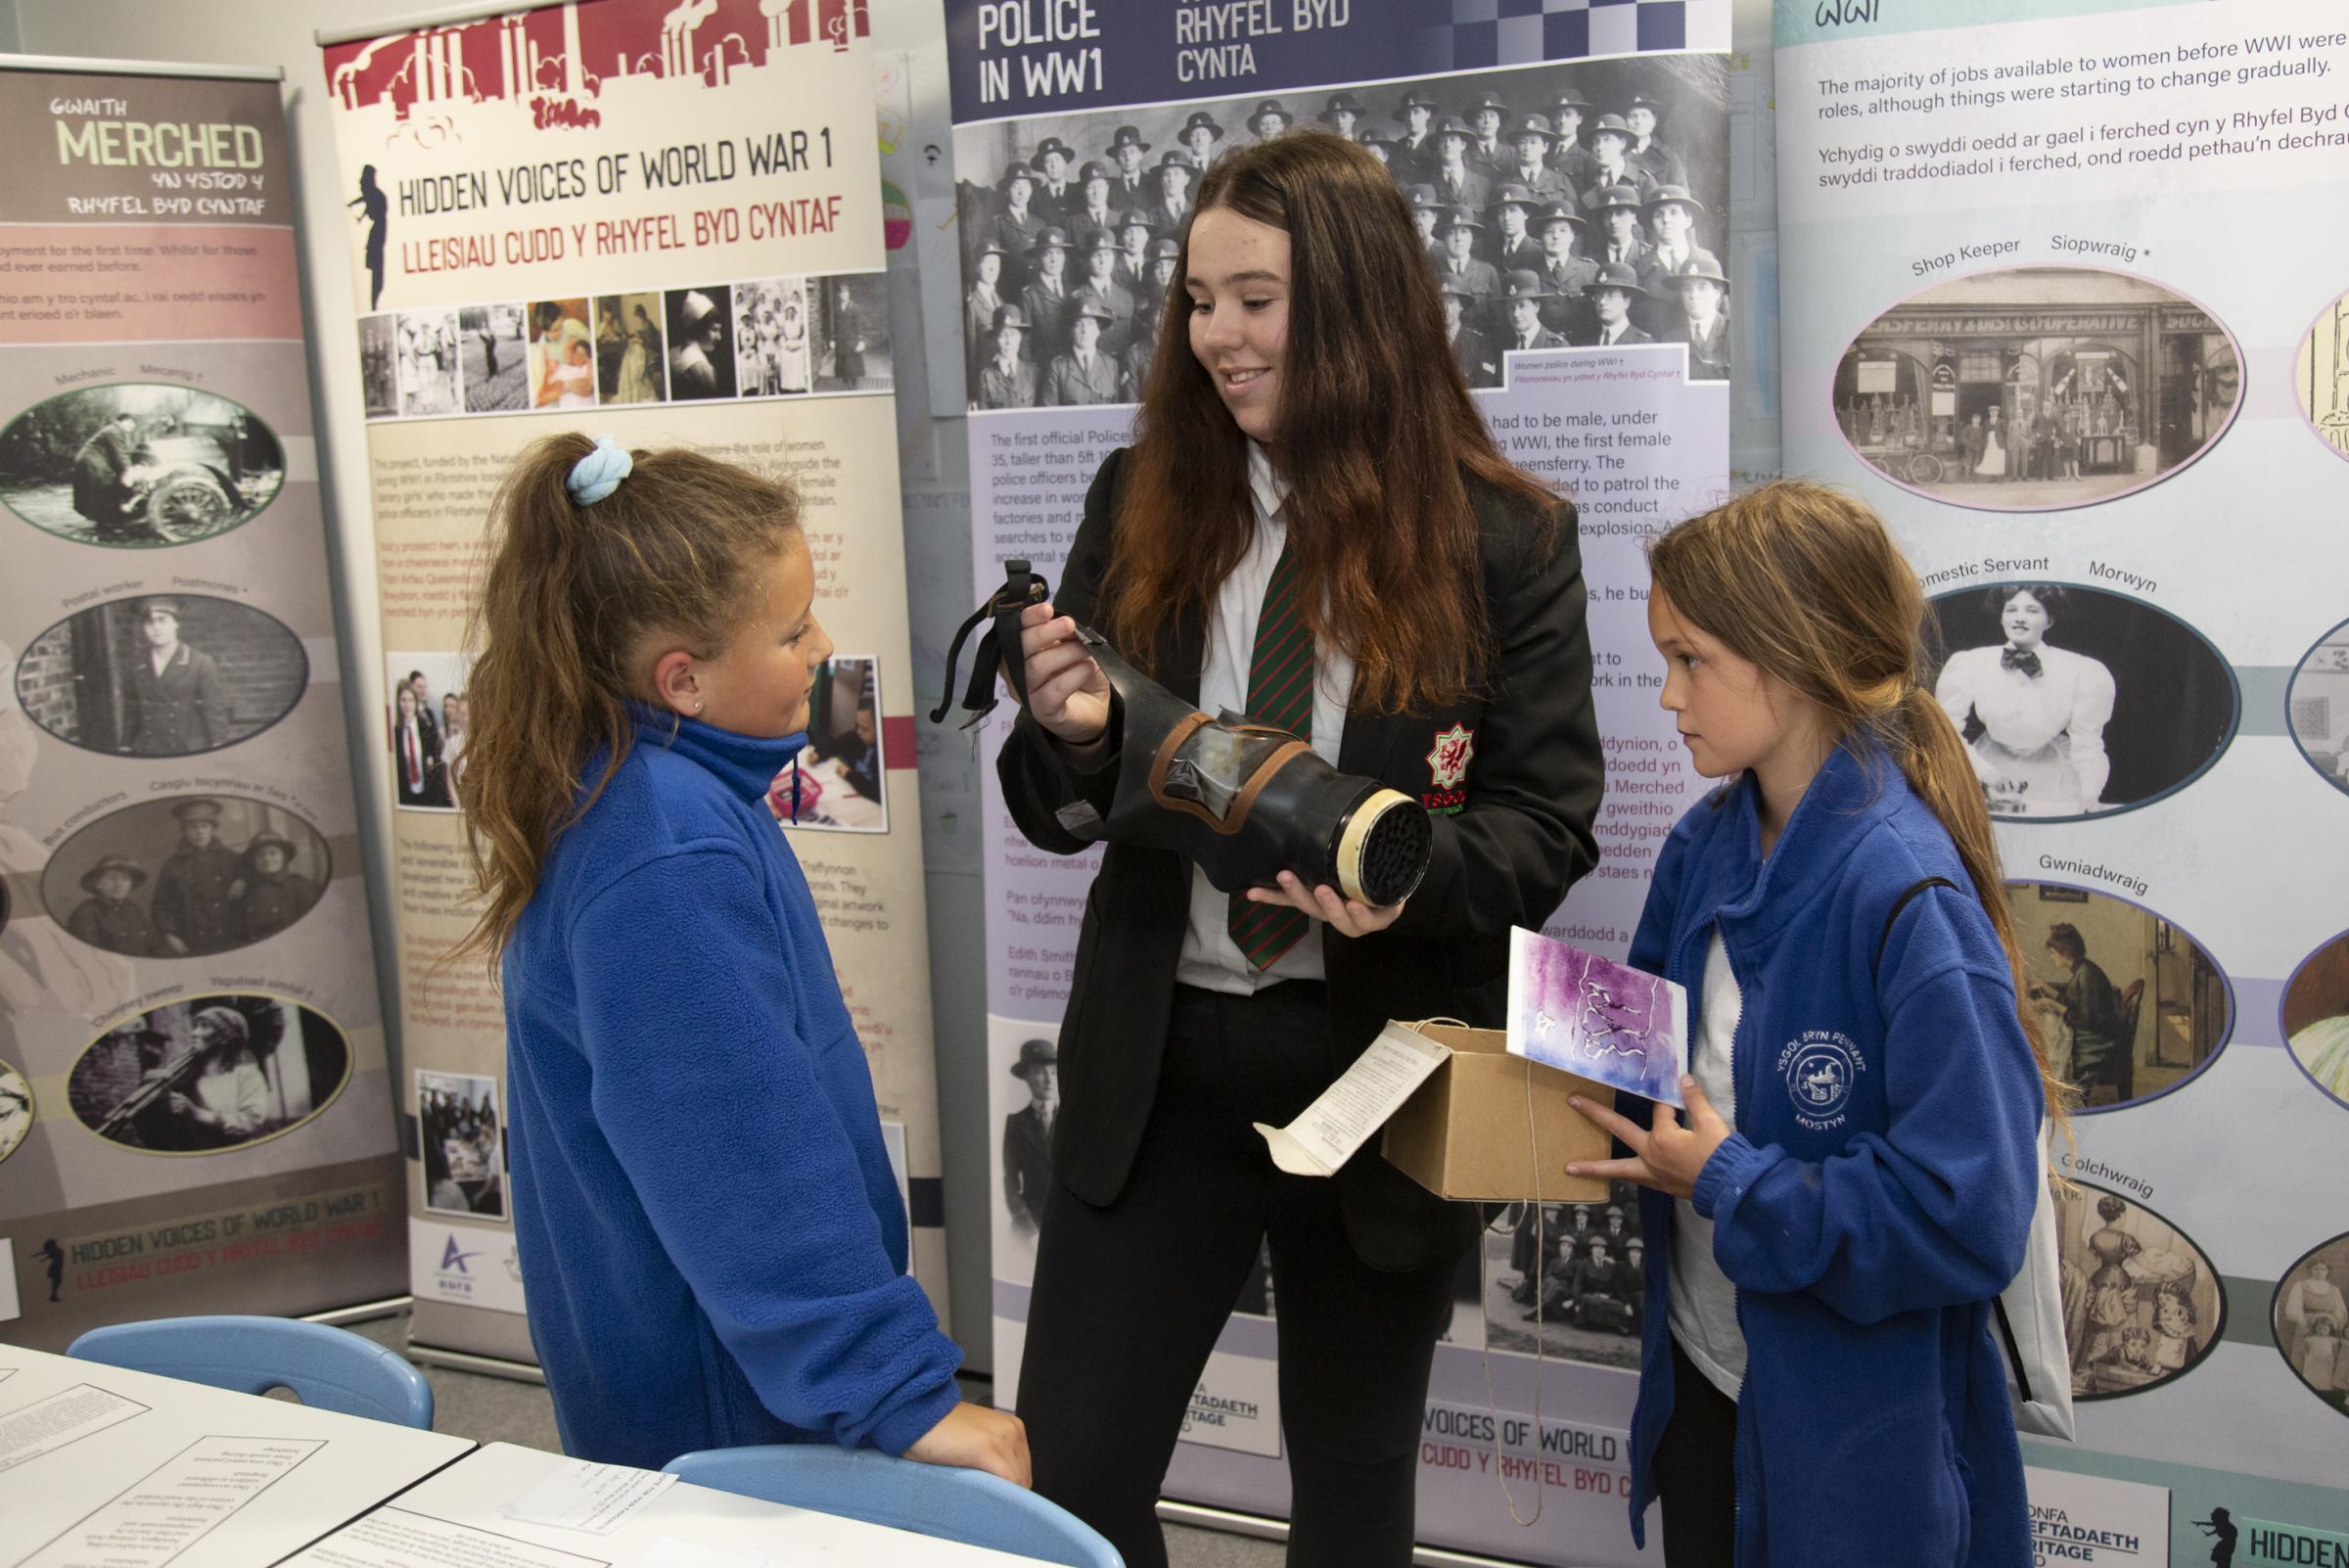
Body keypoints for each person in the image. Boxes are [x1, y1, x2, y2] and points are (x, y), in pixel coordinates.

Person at [999, 130, 1600, 1568]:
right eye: (1198, 301)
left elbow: (1547, 820)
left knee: (1349, 1490)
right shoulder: (1139, 495)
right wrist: (1075, 739)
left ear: (1353, 301)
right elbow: (1054, 800)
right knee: (1066, 1479)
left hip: (1380, 1074)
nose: (1217, 336)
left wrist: (1393, 875)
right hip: (1163, 1067)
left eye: (1254, 299)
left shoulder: (1505, 536)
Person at [450, 433, 1029, 1482]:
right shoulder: (666, 846)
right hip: (729, 1395)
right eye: (793, 629)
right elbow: (740, 1146)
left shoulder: (642, 791)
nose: (822, 649)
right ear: (685, 680)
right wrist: (891, 1389)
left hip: (698, 1358)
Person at [1564, 481, 2060, 1566]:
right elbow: (1652, 1051)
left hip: (1852, 1437)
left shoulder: (1909, 897)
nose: (1666, 694)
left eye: (1688, 659)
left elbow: (1970, 1215)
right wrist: (1516, 1036)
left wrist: (1734, 1181)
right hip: (1708, 1372)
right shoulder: (1707, 841)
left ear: (1787, 659)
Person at [1933, 584, 2114, 817]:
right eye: (2012, 610)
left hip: (2054, 772)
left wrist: (2090, 791)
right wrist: (1986, 774)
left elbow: (2087, 741)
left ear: (2049, 620)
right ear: (2001, 617)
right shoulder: (1971, 663)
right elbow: (1946, 732)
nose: (2019, 618)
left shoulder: (2081, 669)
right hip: (1986, 765)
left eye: (2032, 611)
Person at [2029, 922, 2132, 1103]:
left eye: (2053, 953)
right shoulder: (2083, 970)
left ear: (2065, 953)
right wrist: (2046, 988)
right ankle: (2053, 1092)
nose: (2052, 958)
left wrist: (2049, 1003)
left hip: (2098, 1040)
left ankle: (2057, 1095)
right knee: (2052, 1033)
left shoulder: (2086, 975)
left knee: (2053, 1039)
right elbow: (2073, 1003)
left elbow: (2085, 1019)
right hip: (2096, 1032)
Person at [147, 1005, 274, 1148]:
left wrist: (196, 1113)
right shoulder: (186, 1077)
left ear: (225, 1037)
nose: (194, 1033)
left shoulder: (246, 1075)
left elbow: (250, 1122)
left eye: (204, 1027)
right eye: (195, 1026)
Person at [121, 597, 226, 756]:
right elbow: (132, 711)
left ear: (176, 624)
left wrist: (218, 744)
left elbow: (214, 710)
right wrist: (125, 745)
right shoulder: (136, 666)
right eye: (149, 622)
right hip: (149, 749)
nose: (156, 628)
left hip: (188, 748)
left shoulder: (200, 662)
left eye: (162, 620)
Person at [151, 798, 244, 956]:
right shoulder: (173, 865)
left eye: (204, 826)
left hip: (231, 937)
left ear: (212, 829)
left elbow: (258, 879)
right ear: (184, 831)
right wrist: (169, 935)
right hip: (193, 941)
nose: (199, 832)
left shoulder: (231, 858)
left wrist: (243, 880)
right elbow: (161, 906)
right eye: (193, 827)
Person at [1002, 1038, 1058, 1233]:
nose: (1049, 1079)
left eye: (1053, 1071)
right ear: (1026, 1076)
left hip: (1068, 1225)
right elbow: (1010, 1177)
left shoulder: (1072, 1120)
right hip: (1029, 1224)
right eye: (1039, 1072)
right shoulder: (1015, 1123)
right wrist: (1026, 1224)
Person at [72, 412, 145, 540]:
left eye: (134, 425)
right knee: (105, 489)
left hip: (93, 461)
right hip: (92, 463)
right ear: (122, 421)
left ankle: (109, 524)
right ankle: (107, 528)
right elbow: (120, 456)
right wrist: (132, 471)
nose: (132, 427)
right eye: (130, 423)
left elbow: (123, 454)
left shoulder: (116, 431)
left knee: (107, 489)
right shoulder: (114, 432)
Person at [68, 853, 158, 955]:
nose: (119, 884)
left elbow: (153, 943)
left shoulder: (132, 908)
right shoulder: (85, 913)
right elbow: (88, 956)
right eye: (111, 878)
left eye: (125, 878)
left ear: (131, 884)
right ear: (97, 884)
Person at [1040, 297, 1124, 406]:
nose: (1084, 331)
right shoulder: (1057, 367)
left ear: (1098, 330)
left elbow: (1115, 412)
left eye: (1090, 324)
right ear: (1071, 331)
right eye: (1078, 324)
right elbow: (1049, 415)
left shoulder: (1111, 365)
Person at [1667, 258, 1731, 382]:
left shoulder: (1734, 334)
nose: (1693, 295)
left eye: (1702, 287)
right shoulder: (1670, 339)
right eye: (1687, 288)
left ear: (1717, 293)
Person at [392, 681, 450, 807]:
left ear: (416, 702)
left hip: (429, 798)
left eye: (411, 700)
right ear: (397, 702)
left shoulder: (427, 729)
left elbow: (438, 768)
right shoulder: (395, 734)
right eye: (403, 700)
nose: (407, 705)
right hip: (407, 799)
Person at [978, 305, 1040, 410]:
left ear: (1020, 337)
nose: (1009, 342)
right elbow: (984, 420)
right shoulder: (986, 377)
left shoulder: (1033, 372)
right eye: (1003, 335)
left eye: (1013, 334)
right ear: (995, 339)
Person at [669, 291, 729, 399]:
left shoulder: (673, 352)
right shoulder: (702, 367)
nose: (719, 337)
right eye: (714, 330)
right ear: (699, 329)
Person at [1586, 264, 1654, 346]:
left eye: (1611, 295)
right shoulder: (1585, 342)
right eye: (1599, 295)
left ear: (1626, 302)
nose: (1602, 301)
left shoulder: (1644, 344)